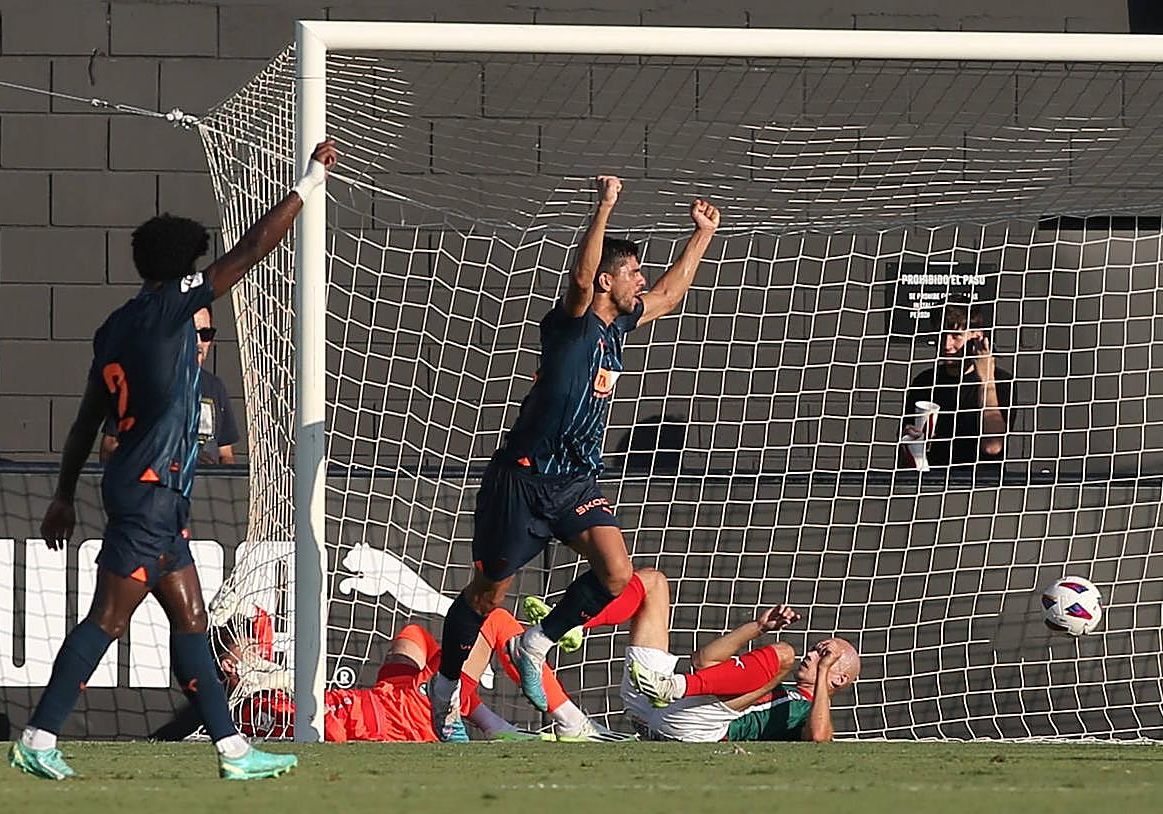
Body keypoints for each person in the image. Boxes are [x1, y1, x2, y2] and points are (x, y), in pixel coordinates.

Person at [11, 139, 339, 782]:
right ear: (179, 271)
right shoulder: (169, 309)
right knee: (106, 619)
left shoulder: (117, 325)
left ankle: (234, 751)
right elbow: (250, 250)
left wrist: (62, 493)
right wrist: (309, 183)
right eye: (194, 264)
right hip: (151, 492)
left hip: (145, 492)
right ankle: (38, 734)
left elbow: (84, 420)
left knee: (191, 618)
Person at [428, 175, 721, 740]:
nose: (641, 279)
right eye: (632, 271)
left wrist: (700, 237)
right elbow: (583, 276)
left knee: (616, 572)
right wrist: (604, 207)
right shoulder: (573, 324)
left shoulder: (620, 328)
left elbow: (669, 294)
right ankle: (445, 688)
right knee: (489, 593)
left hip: (576, 482)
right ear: (609, 280)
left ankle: (535, 642)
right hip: (521, 480)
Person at [159, 607, 619, 743]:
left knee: (415, 633)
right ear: (225, 665)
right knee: (495, 620)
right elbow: (259, 679)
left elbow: (259, 664)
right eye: (247, 647)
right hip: (408, 715)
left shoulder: (247, 699)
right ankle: (571, 722)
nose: (260, 649)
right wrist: (254, 674)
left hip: (388, 698)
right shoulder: (249, 706)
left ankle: (485, 723)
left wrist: (253, 665)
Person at [555, 568, 861, 742]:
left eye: (823, 654)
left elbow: (820, 739)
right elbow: (703, 661)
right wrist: (757, 626)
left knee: (784, 653)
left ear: (839, 676)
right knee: (654, 582)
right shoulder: (776, 686)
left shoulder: (808, 711)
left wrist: (822, 676)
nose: (812, 654)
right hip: (651, 708)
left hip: (692, 727)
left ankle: (675, 686)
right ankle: (571, 625)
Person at [99, 305, 239, 465]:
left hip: (205, 487)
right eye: (192, 333)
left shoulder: (214, 387)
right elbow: (108, 449)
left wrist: (219, 476)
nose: (199, 342)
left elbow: (226, 454)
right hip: (156, 487)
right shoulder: (139, 384)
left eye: (206, 334)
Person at [902, 303, 1016, 467]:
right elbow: (905, 446)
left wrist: (986, 379)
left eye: (956, 336)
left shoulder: (1002, 382)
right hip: (933, 481)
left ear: (977, 336)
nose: (947, 345)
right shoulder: (925, 381)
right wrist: (911, 440)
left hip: (983, 484)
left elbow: (992, 446)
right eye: (941, 335)